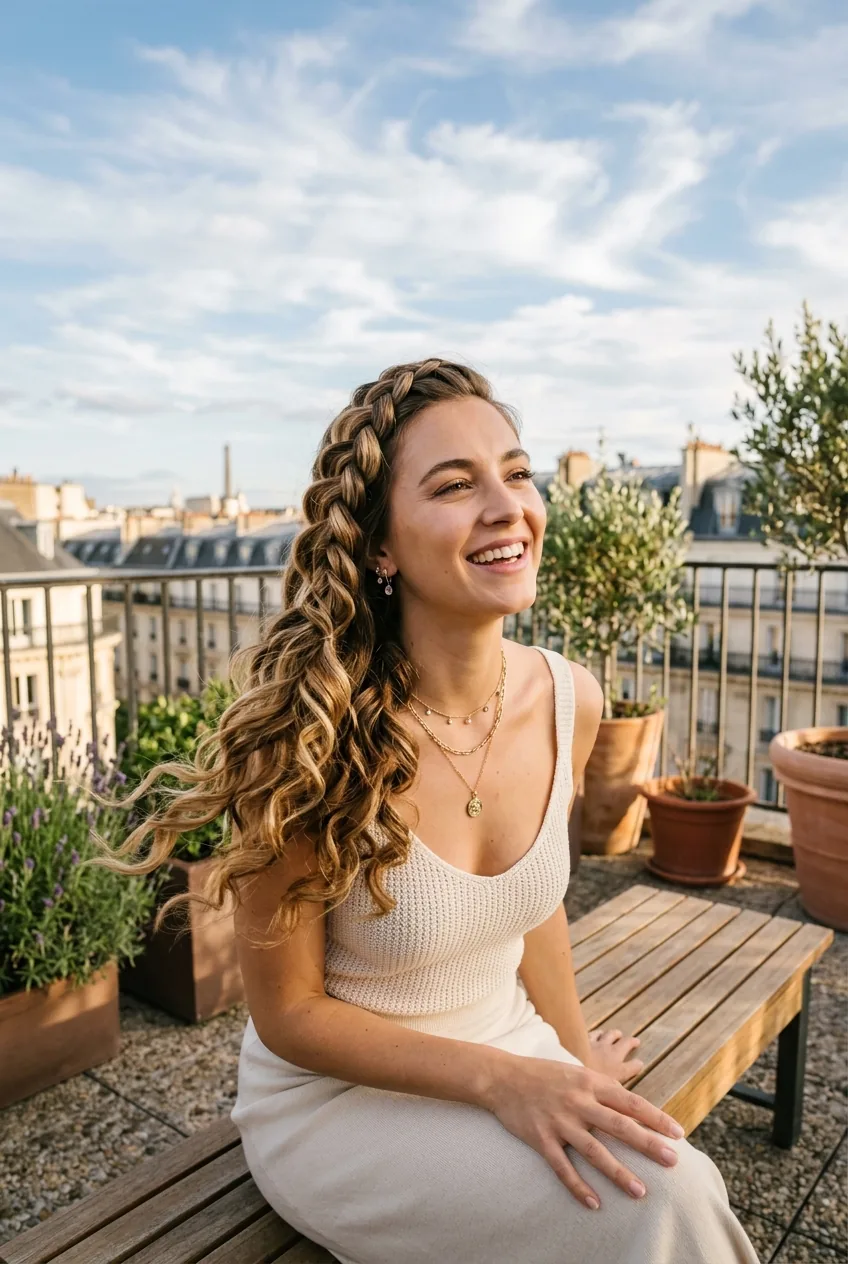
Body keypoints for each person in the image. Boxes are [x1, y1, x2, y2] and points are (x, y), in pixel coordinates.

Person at [114, 359, 760, 1263]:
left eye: (518, 472)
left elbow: (536, 914)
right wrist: (505, 1082)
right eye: (455, 486)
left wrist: (568, 1069)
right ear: (380, 546)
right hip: (337, 1103)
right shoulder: (307, 743)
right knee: (662, 1197)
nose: (507, 506)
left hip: (509, 1044)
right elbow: (291, 1013)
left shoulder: (571, 699)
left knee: (660, 1176)